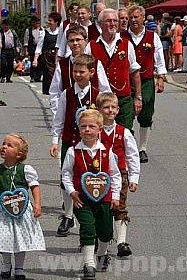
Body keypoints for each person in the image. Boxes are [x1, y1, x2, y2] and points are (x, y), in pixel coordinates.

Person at [61, 109, 121, 280]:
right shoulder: (74, 151)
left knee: (106, 232)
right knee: (87, 228)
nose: (87, 129)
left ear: (99, 130)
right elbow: (66, 173)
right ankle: (89, 264)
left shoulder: (106, 151)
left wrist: (115, 196)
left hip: (105, 198)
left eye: (91, 126)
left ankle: (102, 254)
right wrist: (71, 191)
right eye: (83, 126)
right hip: (82, 199)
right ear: (79, 129)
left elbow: (115, 175)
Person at [0, 134, 45, 280]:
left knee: (20, 239)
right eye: (3, 143)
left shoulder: (25, 169)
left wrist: (37, 204)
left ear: (19, 154)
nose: (4, 147)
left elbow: (35, 187)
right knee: (5, 238)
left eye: (9, 145)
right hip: (5, 211)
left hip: (23, 210)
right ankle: (6, 264)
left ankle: (19, 268)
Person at [50, 54, 101, 237]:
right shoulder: (67, 94)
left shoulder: (98, 95)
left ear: (91, 72)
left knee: (89, 178)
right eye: (75, 71)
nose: (78, 75)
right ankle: (68, 215)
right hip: (70, 142)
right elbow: (59, 120)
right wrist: (55, 142)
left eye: (82, 71)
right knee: (67, 178)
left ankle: (92, 216)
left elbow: (103, 123)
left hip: (91, 146)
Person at [96, 92, 140, 258]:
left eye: (113, 107)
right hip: (98, 176)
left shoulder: (124, 132)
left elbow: (132, 156)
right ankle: (100, 241)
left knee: (120, 206)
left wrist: (133, 178)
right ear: (99, 110)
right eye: (106, 107)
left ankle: (121, 242)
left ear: (118, 110)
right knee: (101, 208)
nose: (110, 110)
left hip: (120, 175)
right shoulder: (95, 131)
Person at [85, 8, 142, 131]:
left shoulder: (127, 44)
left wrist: (138, 97)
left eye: (115, 21)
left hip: (123, 98)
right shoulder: (91, 46)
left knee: (125, 132)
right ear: (100, 24)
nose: (113, 24)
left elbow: (135, 72)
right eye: (109, 21)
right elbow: (86, 73)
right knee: (100, 132)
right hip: (100, 99)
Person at [126, 6, 167, 163]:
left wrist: (161, 78)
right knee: (127, 112)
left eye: (136, 17)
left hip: (147, 80)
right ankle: (128, 147)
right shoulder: (122, 36)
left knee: (146, 112)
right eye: (131, 17)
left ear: (143, 18)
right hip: (127, 81)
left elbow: (159, 57)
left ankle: (142, 148)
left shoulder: (152, 36)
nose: (134, 20)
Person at [49, 25, 111, 119]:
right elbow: (55, 93)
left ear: (86, 41)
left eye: (78, 40)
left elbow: (105, 90)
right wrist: (58, 115)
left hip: (93, 116)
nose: (75, 43)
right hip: (69, 115)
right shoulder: (62, 65)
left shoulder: (96, 63)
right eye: (71, 41)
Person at [33, 12, 61, 95]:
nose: (49, 22)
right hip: (47, 57)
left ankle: (56, 90)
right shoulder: (44, 32)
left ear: (56, 22)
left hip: (56, 55)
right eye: (48, 20)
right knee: (48, 74)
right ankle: (48, 91)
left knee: (57, 73)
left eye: (51, 20)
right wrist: (35, 59)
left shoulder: (60, 32)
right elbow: (39, 46)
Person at [24, 17, 44, 83]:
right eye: (35, 22)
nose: (36, 24)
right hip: (32, 48)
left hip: (40, 48)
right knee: (33, 62)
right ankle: (32, 76)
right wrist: (26, 50)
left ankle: (38, 76)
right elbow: (26, 41)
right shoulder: (28, 30)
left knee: (40, 63)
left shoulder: (42, 29)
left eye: (38, 22)